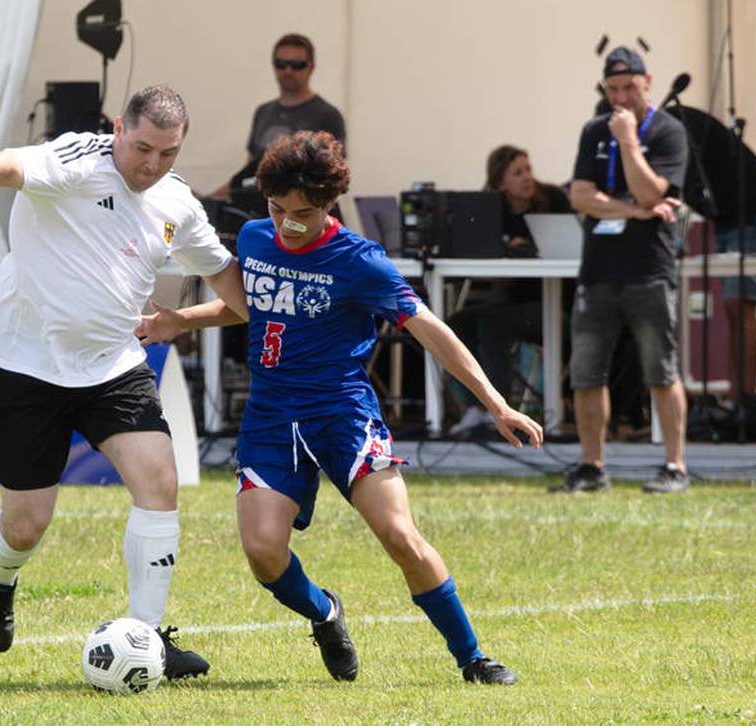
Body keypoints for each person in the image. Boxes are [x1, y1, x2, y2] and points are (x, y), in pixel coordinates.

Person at [137, 131, 540, 684]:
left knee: (400, 535)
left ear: (328, 203)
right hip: (272, 420)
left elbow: (429, 328)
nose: (285, 224)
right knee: (262, 551)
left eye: (300, 213)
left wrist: (496, 403)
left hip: (343, 415)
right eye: (277, 209)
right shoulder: (255, 239)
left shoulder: (359, 261)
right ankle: (325, 613)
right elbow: (248, 306)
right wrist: (179, 321)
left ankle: (473, 658)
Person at [0, 85, 248, 679]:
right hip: (25, 365)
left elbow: (229, 284)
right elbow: (8, 163)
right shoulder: (76, 160)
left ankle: (150, 641)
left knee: (160, 481)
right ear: (119, 128)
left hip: (113, 366)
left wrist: (193, 317)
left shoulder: (179, 203)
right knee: (27, 521)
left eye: (168, 153)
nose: (153, 165)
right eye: (143, 149)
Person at [559, 47, 690, 494]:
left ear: (647, 82)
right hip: (598, 270)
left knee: (661, 370)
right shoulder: (594, 129)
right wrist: (635, 212)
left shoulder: (669, 132)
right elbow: (578, 195)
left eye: (629, 88)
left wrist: (630, 141)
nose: (622, 97)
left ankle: (674, 466)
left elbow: (652, 190)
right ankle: (592, 466)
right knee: (587, 371)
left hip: (649, 270)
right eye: (613, 90)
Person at [449, 145, 573, 435]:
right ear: (500, 182)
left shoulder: (553, 199)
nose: (527, 177)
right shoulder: (491, 209)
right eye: (518, 173)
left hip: (554, 306)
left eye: (528, 169)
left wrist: (528, 250)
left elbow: (567, 246)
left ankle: (499, 409)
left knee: (494, 325)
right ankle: (472, 409)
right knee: (457, 322)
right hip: (511, 300)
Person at [208, 33, 346, 203]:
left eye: (297, 65)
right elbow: (249, 173)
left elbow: (332, 179)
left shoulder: (328, 115)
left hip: (300, 218)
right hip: (256, 212)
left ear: (311, 67)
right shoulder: (263, 112)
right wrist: (208, 199)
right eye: (281, 64)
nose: (288, 71)